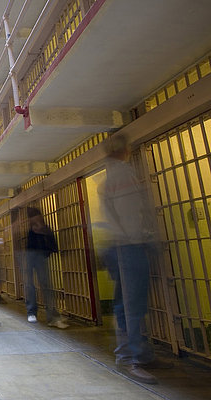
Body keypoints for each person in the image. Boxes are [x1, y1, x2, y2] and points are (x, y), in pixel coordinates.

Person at [99, 134, 172, 384]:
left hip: (122, 244)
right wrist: (146, 237)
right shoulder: (122, 176)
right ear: (126, 149)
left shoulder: (110, 178)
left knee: (127, 303)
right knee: (132, 304)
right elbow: (130, 213)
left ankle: (137, 354)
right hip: (129, 245)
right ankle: (131, 358)